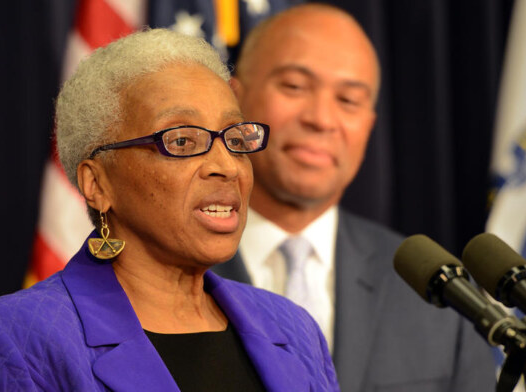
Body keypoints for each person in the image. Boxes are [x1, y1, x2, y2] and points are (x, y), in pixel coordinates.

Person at [0, 28, 339, 391]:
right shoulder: (12, 339)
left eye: (236, 138)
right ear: (98, 185)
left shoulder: (294, 328)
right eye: (182, 140)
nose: (228, 165)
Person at [212, 3, 496, 392]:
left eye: (348, 100)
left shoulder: (437, 297)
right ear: (234, 100)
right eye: (294, 86)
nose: (322, 119)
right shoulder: (162, 274)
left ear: (369, 126)